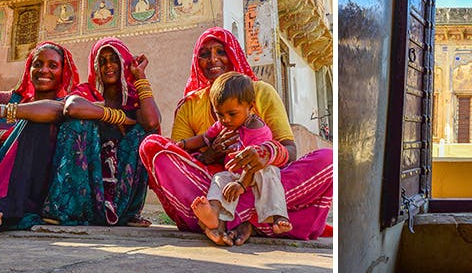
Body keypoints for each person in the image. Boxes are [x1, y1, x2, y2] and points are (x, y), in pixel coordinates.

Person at [139, 27, 332, 246]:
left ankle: (224, 220)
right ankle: (258, 221)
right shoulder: (190, 105)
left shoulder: (260, 92)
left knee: (330, 161)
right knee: (151, 146)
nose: (213, 59)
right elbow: (181, 156)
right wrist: (212, 154)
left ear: (232, 54)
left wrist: (264, 155)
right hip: (214, 185)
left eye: (221, 51)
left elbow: (290, 151)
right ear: (197, 61)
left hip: (264, 184)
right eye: (205, 54)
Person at [0, 42, 80, 232]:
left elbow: (53, 110)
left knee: (33, 120)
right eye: (37, 64)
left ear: (63, 72)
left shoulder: (66, 103)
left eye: (53, 65)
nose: (44, 70)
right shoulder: (12, 97)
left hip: (25, 181)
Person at [42, 37, 160, 226]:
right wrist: (117, 116)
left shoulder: (132, 99)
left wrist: (140, 77)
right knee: (77, 124)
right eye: (102, 61)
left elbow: (152, 122)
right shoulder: (86, 92)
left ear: (123, 63)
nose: (108, 66)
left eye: (114, 60)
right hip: (86, 182)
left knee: (143, 135)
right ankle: (68, 208)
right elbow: (71, 107)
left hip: (118, 183)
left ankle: (126, 212)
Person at [190, 72, 291, 243]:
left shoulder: (258, 129)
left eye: (231, 114)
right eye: (220, 115)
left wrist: (242, 185)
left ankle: (278, 215)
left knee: (270, 174)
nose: (225, 120)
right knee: (219, 178)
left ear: (251, 107)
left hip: (256, 172)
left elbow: (255, 163)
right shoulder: (223, 122)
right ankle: (213, 213)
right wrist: (183, 145)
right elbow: (205, 137)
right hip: (234, 173)